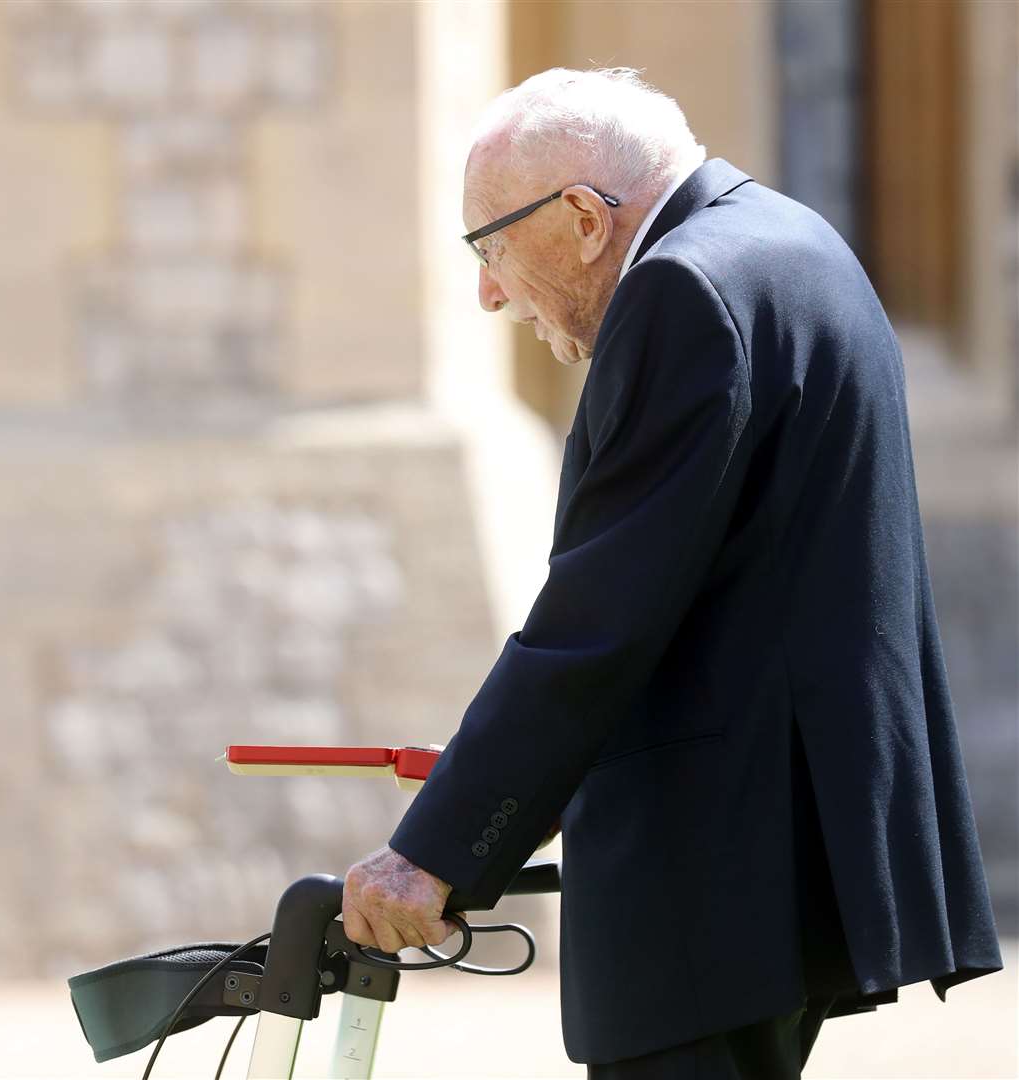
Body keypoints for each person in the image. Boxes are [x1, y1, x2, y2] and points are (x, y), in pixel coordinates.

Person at [341, 68, 1002, 1078]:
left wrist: (431, 851)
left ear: (582, 217)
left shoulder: (683, 289)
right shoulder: (787, 241)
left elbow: (603, 614)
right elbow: (715, 584)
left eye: (493, 245)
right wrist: (524, 777)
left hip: (715, 870)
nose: (487, 290)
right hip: (790, 842)